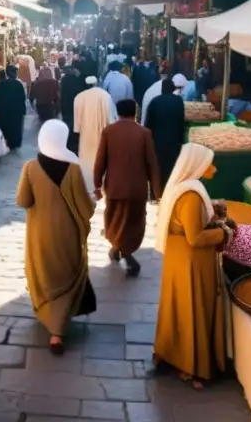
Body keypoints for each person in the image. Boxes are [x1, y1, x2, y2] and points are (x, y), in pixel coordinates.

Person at [17, 120, 97, 355]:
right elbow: (87, 209)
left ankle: (51, 322)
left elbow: (22, 201)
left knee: (45, 275)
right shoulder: (73, 167)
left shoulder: (30, 167)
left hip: (40, 236)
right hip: (68, 236)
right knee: (67, 277)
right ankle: (57, 332)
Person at [153, 143, 227, 388]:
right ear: (198, 166)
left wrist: (213, 212)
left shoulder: (183, 188)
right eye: (209, 164)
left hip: (177, 258)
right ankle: (191, 365)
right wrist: (223, 234)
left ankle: (169, 353)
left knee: (175, 308)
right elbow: (195, 238)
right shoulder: (192, 196)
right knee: (192, 309)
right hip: (191, 262)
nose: (214, 169)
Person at [94, 99, 162, 277]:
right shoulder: (144, 133)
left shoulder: (109, 131)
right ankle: (124, 252)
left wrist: (97, 184)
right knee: (133, 223)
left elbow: (100, 161)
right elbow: (152, 164)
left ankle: (121, 251)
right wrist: (157, 191)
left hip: (115, 187)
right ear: (135, 112)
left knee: (114, 220)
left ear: (118, 111)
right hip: (137, 189)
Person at [73, 76, 117, 192]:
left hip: (85, 138)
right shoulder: (105, 96)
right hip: (103, 136)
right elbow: (112, 119)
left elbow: (77, 125)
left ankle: (88, 188)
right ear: (96, 83)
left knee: (87, 163)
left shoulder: (79, 97)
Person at [144, 77, 187, 186]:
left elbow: (148, 125)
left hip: (158, 143)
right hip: (174, 142)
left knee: (158, 170)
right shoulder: (179, 101)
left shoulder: (154, 102)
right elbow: (181, 121)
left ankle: (157, 195)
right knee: (172, 170)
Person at [0, 66, 28, 149]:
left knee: (6, 129)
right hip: (16, 113)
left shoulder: (1, 85)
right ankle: (15, 143)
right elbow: (22, 98)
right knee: (15, 129)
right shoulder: (18, 84)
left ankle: (6, 142)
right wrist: (23, 110)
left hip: (4, 113)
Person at [59, 59, 85, 152]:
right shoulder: (76, 80)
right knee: (74, 125)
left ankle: (68, 144)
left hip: (66, 106)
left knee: (68, 125)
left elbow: (62, 94)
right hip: (74, 106)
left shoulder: (65, 80)